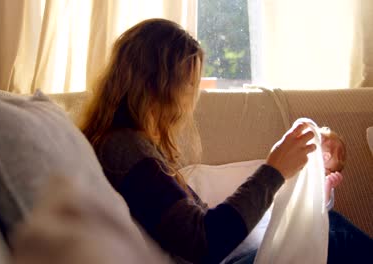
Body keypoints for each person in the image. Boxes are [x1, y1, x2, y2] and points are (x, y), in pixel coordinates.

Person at [79, 18, 373, 263]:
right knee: (335, 242)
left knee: (322, 222)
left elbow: (192, 226)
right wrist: (274, 171)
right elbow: (203, 242)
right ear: (159, 85)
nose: (192, 99)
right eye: (189, 84)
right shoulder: (124, 150)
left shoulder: (130, 146)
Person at [222, 127, 347, 263]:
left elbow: (319, 214)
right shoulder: (287, 172)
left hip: (266, 251)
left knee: (326, 229)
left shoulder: (319, 185)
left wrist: (327, 187)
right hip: (237, 250)